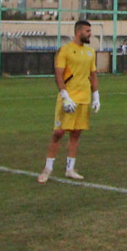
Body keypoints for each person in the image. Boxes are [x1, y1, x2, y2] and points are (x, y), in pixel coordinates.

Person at [40, 18, 99, 184]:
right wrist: (65, 96)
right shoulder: (65, 50)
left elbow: (92, 75)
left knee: (76, 134)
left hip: (84, 99)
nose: (90, 34)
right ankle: (48, 168)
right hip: (69, 99)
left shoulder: (90, 52)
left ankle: (70, 169)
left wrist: (96, 96)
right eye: (87, 31)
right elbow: (59, 74)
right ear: (79, 32)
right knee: (58, 133)